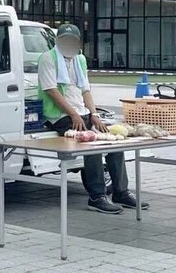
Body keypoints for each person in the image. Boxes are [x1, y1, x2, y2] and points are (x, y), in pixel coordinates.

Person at [37, 24, 144, 214]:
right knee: (92, 145)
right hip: (60, 116)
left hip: (81, 113)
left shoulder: (80, 60)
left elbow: (85, 89)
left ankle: (121, 192)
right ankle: (96, 196)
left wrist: (94, 115)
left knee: (113, 142)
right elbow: (52, 91)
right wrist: (73, 114)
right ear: (58, 41)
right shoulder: (48, 58)